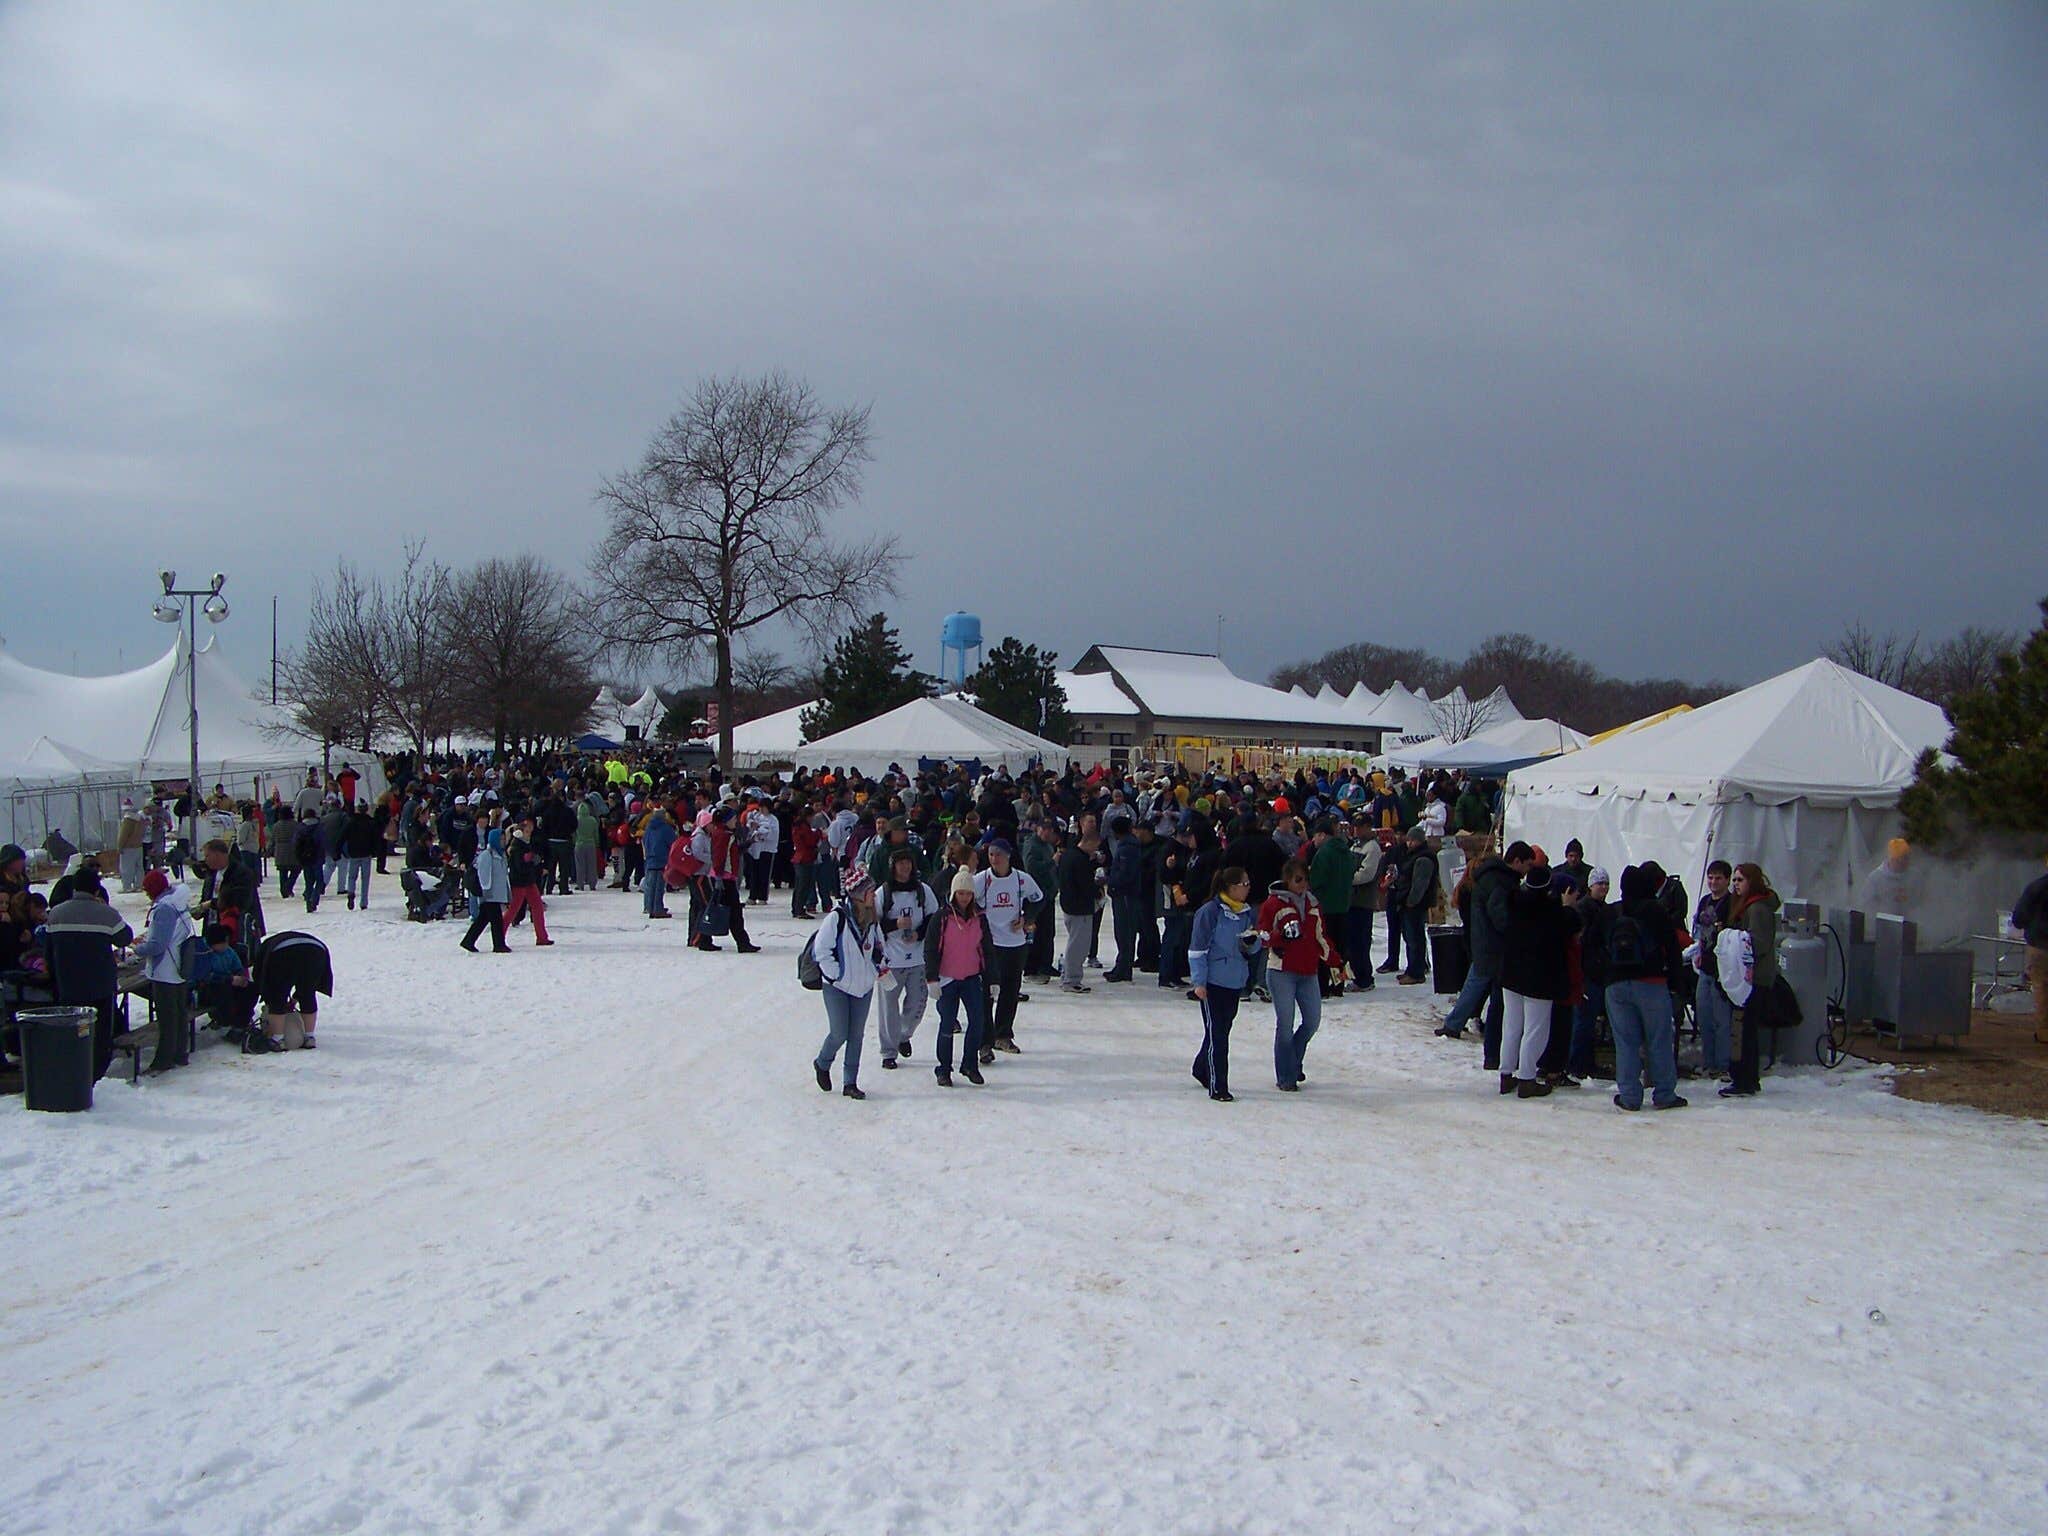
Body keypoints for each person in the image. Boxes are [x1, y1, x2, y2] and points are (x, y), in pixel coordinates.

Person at [1604, 866, 1687, 1110]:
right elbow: (1672, 948)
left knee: (1625, 1042)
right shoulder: (1656, 911)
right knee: (1659, 1039)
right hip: (1652, 982)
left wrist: (1603, 976)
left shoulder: (1611, 912)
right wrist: (1675, 981)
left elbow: (1592, 945)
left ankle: (1629, 1096)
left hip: (1616, 984)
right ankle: (1664, 1094)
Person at [1497, 863, 1579, 1098]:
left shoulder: (1514, 903)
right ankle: (1527, 1078)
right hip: (1539, 978)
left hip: (1511, 974)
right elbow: (1569, 928)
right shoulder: (1551, 910)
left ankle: (1506, 1075)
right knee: (1535, 1029)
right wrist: (1567, 907)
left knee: (1511, 1026)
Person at [42, 870, 133, 1081]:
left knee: (78, 1028)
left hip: (69, 986)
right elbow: (124, 938)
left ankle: (76, 1069)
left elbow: (48, 950)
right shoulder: (105, 913)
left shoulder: (55, 913)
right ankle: (96, 1074)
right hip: (100, 985)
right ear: (96, 889)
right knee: (100, 1033)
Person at [1258, 858, 1333, 1091]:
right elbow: (1262, 935)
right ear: (1287, 880)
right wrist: (1279, 937)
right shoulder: (1273, 904)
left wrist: (1335, 961)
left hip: (1308, 970)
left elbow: (1321, 935)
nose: (1302, 885)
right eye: (1298, 880)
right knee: (1285, 1023)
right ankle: (1285, 1075)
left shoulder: (1312, 903)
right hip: (1281, 971)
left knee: (1312, 1021)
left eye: (1305, 880)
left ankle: (1293, 1061)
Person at [811, 870, 884, 1099]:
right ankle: (823, 1062)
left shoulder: (872, 918)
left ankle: (850, 1082)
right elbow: (821, 950)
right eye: (870, 892)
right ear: (859, 895)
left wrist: (876, 967)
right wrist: (837, 975)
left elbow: (879, 947)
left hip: (863, 986)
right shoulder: (837, 918)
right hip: (838, 987)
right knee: (839, 1032)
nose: (874, 896)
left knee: (856, 1035)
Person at [1190, 866, 1260, 1103]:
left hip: (1235, 980)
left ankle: (1201, 1067)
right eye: (1244, 884)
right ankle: (1218, 1085)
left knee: (1220, 1030)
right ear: (1230, 887)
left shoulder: (1247, 913)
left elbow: (1251, 948)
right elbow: (1198, 949)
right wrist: (1199, 982)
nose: (1248, 888)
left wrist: (1252, 943)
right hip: (1212, 982)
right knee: (1219, 1035)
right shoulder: (1210, 912)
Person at [972, 838, 1044, 1059]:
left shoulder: (1021, 879)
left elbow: (1039, 898)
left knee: (1010, 990)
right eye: (992, 855)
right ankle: (984, 1039)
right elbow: (962, 899)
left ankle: (1003, 1034)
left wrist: (1027, 917)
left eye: (999, 855)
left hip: (1015, 942)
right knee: (986, 992)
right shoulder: (982, 880)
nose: (995, 859)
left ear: (1009, 856)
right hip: (990, 943)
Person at [924, 869, 990, 1086]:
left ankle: (970, 1064)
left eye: (968, 893)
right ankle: (943, 1068)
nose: (964, 898)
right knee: (947, 1024)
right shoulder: (941, 918)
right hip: (947, 979)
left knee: (977, 1021)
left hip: (971, 977)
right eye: (960, 893)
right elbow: (931, 949)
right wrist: (932, 978)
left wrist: (994, 979)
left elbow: (987, 949)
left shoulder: (980, 918)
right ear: (953, 893)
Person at [874, 847, 937, 1068]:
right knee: (888, 1008)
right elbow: (874, 922)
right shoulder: (883, 893)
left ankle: (904, 1034)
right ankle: (888, 1052)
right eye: (900, 863)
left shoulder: (923, 891)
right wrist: (895, 925)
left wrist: (920, 934)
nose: (905, 867)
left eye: (908, 863)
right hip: (890, 961)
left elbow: (934, 918)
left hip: (918, 959)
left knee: (917, 1004)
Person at [1719, 862, 1779, 1097]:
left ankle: (1744, 1078)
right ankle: (1746, 1077)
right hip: (1749, 978)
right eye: (1734, 880)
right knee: (1744, 1029)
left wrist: (1734, 939)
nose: (1735, 884)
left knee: (1744, 1030)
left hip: (1753, 979)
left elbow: (1757, 943)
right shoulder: (1747, 906)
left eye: (1739, 880)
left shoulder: (1757, 909)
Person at [135, 869, 195, 1074]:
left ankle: (163, 1059)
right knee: (179, 1013)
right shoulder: (179, 903)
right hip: (181, 965)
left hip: (164, 969)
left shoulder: (163, 909)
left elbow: (158, 945)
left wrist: (138, 949)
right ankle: (180, 1052)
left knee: (167, 1017)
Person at [1566, 866, 1612, 1081]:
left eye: (1605, 883)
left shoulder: (1603, 908)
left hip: (1597, 971)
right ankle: (1577, 1063)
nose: (1603, 887)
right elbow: (1582, 941)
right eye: (1599, 883)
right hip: (1587, 972)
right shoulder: (1585, 909)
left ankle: (1586, 1062)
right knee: (1583, 1020)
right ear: (1590, 886)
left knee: (1589, 1020)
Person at [1690, 861, 1735, 1077]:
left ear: (1726, 880)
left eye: (1718, 878)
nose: (1713, 882)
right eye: (1710, 877)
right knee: (1704, 1017)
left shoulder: (1730, 903)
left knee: (1721, 1019)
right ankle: (1708, 1062)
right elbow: (1699, 930)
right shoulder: (1705, 901)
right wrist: (1698, 951)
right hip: (1705, 964)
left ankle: (1722, 1063)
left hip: (1721, 969)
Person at [191, 923, 259, 1037]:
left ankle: (241, 1023)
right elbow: (205, 976)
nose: (225, 946)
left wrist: (240, 978)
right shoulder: (203, 953)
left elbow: (237, 967)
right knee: (223, 991)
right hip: (209, 989)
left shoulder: (228, 952)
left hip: (229, 983)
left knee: (251, 989)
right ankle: (225, 1018)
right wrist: (229, 979)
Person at [1056, 830, 1099, 994]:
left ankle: (1068, 975)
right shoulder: (1080, 860)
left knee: (1075, 942)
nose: (1095, 850)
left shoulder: (1068, 856)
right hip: (1079, 908)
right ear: (1089, 842)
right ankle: (1071, 979)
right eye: (1095, 846)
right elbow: (1085, 884)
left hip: (1069, 904)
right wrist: (1097, 891)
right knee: (1078, 945)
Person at [2012, 855, 2048, 1046]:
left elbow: (2019, 918)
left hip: (2040, 947)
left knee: (2042, 989)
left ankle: (2044, 1033)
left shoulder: (2036, 888)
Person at [461, 825, 513, 954]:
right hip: (489, 894)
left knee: (483, 919)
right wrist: (486, 891)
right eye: (500, 839)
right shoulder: (487, 855)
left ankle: (469, 941)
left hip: (497, 893)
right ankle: (499, 944)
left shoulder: (501, 855)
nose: (503, 841)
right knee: (496, 920)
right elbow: (483, 875)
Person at [1394, 827, 1436, 985]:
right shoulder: (1414, 856)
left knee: (1415, 939)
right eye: (1408, 840)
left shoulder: (1423, 858)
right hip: (1409, 903)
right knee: (1411, 937)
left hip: (1415, 905)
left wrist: (1411, 901)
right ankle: (1413, 968)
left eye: (1412, 840)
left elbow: (1419, 885)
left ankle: (1416, 971)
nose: (1409, 843)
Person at [503, 825, 554, 946]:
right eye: (526, 832)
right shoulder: (517, 847)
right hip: (520, 882)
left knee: (537, 907)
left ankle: (542, 937)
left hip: (528, 881)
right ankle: (499, 935)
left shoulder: (523, 845)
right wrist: (533, 863)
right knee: (513, 910)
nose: (529, 834)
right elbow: (520, 867)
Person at [640, 804, 677, 920]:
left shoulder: (648, 828)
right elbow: (673, 843)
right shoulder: (666, 829)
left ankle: (649, 906)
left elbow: (645, 841)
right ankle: (658, 909)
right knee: (659, 886)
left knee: (650, 885)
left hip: (650, 859)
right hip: (662, 859)